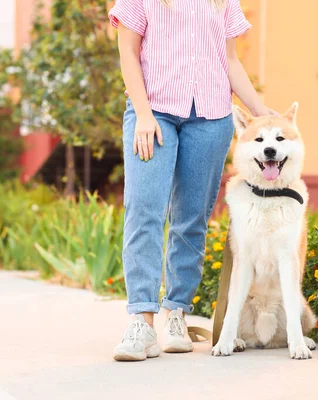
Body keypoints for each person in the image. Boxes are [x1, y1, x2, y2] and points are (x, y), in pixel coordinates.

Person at [109, 0, 277, 361]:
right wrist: (141, 114)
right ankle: (141, 319)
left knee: (192, 218)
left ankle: (176, 314)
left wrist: (262, 115)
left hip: (212, 118)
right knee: (144, 211)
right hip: (153, 114)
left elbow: (231, 61)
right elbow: (128, 53)